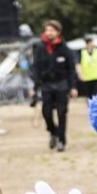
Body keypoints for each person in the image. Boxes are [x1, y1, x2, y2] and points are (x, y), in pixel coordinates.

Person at [32, 20, 77, 152]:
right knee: (46, 112)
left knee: (62, 113)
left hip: (62, 84)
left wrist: (73, 87)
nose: (49, 33)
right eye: (47, 30)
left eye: (52, 30)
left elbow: (71, 70)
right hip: (46, 85)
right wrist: (35, 87)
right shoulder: (39, 48)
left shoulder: (65, 49)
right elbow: (36, 68)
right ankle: (53, 132)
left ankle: (62, 140)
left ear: (58, 32)